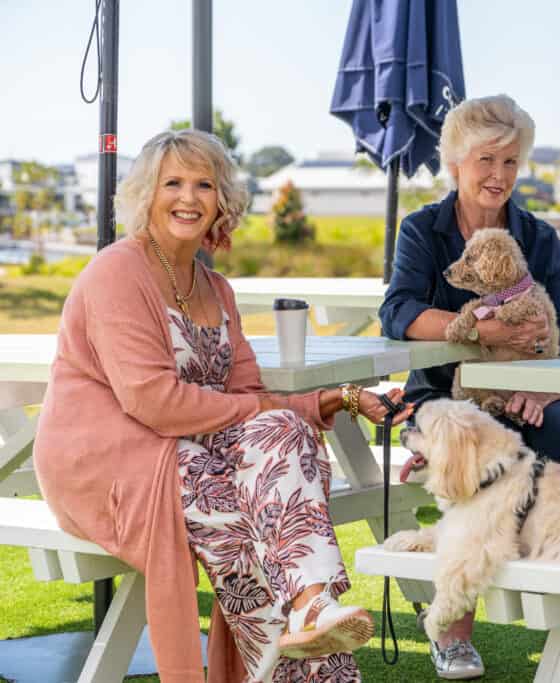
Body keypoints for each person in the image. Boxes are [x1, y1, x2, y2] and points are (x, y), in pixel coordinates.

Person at [33, 129, 414, 683]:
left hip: (189, 455)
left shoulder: (218, 289)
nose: (189, 198)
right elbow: (154, 402)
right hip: (107, 464)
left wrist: (334, 400)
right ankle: (316, 657)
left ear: (221, 201)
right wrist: (268, 414)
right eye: (173, 183)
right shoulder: (118, 271)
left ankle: (311, 602)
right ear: (146, 195)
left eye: (204, 185)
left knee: (278, 447)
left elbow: (244, 400)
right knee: (244, 516)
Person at [379, 94, 560, 679]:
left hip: (532, 388)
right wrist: (481, 333)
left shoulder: (539, 238)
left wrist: (543, 390)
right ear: (455, 162)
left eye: (510, 162)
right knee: (470, 453)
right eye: (485, 161)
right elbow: (397, 311)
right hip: (442, 396)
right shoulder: (424, 230)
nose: (498, 176)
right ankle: (454, 630)